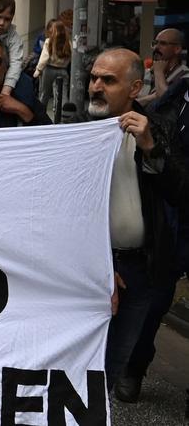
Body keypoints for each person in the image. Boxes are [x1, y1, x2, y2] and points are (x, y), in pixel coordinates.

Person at [76, 48, 189, 394]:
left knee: (112, 368)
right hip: (87, 269)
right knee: (78, 368)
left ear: (135, 88)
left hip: (141, 270)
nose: (96, 86)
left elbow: (180, 192)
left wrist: (150, 146)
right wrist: (100, 265)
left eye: (108, 80)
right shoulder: (74, 132)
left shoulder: (158, 128)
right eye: (94, 78)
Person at [138, 28, 186, 106]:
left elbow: (166, 102)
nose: (156, 47)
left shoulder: (184, 76)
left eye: (163, 43)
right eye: (155, 43)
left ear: (177, 49)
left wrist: (159, 72)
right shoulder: (145, 73)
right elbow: (129, 103)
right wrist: (153, 96)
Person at [34, 19, 71, 119]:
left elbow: (44, 57)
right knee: (62, 94)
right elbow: (70, 56)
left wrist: (38, 70)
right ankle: (62, 115)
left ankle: (41, 114)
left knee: (44, 93)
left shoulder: (48, 41)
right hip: (63, 70)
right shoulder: (68, 42)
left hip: (49, 70)